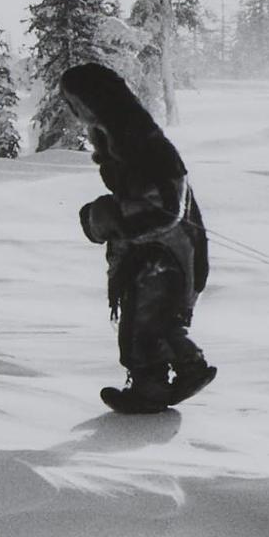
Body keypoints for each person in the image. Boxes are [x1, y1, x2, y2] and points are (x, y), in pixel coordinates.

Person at [59, 62, 214, 412]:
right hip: (156, 251)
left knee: (144, 323)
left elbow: (163, 207)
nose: (77, 114)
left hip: (165, 253)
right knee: (152, 319)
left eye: (79, 104)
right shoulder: (119, 140)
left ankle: (152, 388)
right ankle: (178, 372)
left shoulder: (139, 141)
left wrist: (105, 217)